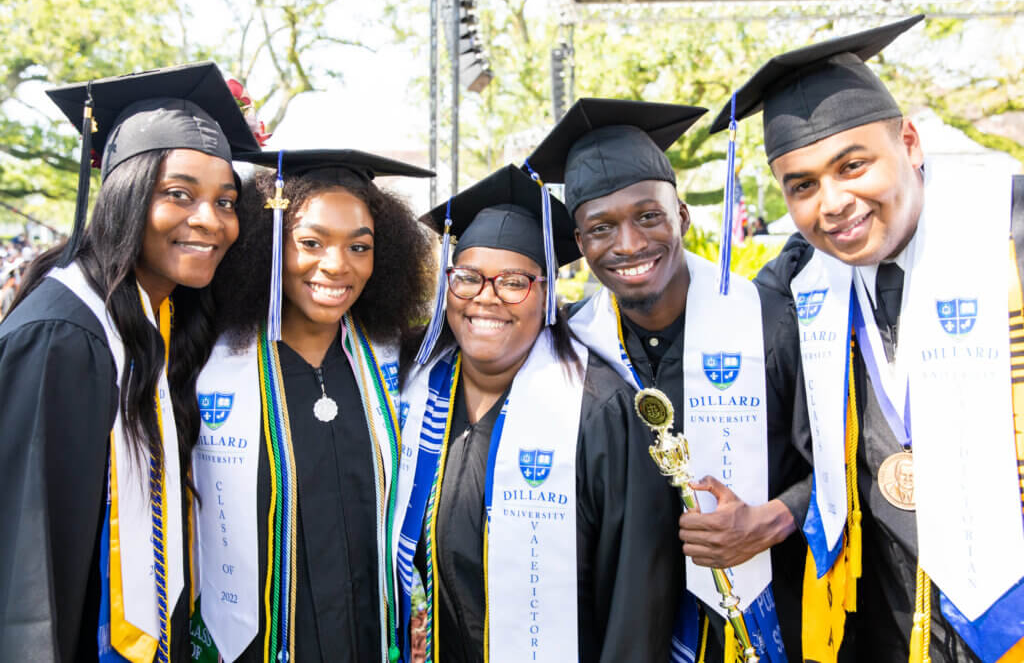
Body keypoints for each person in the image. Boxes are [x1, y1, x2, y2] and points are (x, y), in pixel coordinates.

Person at [714, 15, 1024, 662]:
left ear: (909, 141)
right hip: (883, 615)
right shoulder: (800, 283)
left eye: (852, 164)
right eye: (801, 185)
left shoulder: (1008, 240)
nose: (832, 202)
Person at [526, 97, 810, 662]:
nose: (629, 244)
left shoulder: (771, 322)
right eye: (601, 228)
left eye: (648, 216)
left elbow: (840, 466)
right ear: (579, 246)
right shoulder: (568, 350)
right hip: (624, 626)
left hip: (770, 614)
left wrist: (773, 519)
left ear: (681, 214)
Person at [0, 62, 260, 662]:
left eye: (225, 202)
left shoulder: (151, 321)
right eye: (179, 194)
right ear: (125, 194)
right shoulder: (61, 337)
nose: (211, 221)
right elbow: (25, 570)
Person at [394, 164, 682, 663]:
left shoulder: (598, 413)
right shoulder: (414, 390)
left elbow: (637, 598)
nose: (486, 297)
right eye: (467, 278)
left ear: (548, 295)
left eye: (513, 282)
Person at [188, 149, 434, 663]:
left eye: (359, 247)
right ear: (268, 246)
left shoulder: (400, 366)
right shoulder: (202, 364)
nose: (336, 265)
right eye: (310, 242)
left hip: (370, 640)